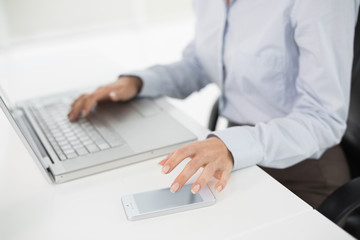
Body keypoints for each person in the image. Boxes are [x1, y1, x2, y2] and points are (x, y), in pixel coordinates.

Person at [68, 0, 359, 208]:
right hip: (236, 158)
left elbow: (324, 119)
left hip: (303, 167)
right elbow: (201, 62)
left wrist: (232, 146)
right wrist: (138, 82)